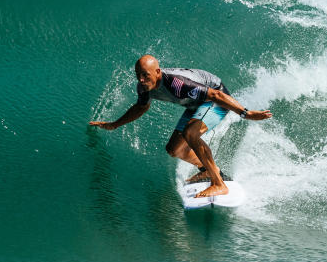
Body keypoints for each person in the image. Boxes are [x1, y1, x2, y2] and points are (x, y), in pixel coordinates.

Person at [89, 55, 272, 198]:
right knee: (174, 149)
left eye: (146, 75)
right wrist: (114, 125)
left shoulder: (178, 84)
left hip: (217, 100)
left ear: (158, 72)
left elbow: (216, 95)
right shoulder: (143, 87)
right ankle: (208, 171)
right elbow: (141, 107)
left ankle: (219, 184)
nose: (142, 80)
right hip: (194, 105)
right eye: (138, 76)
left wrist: (246, 113)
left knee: (191, 133)